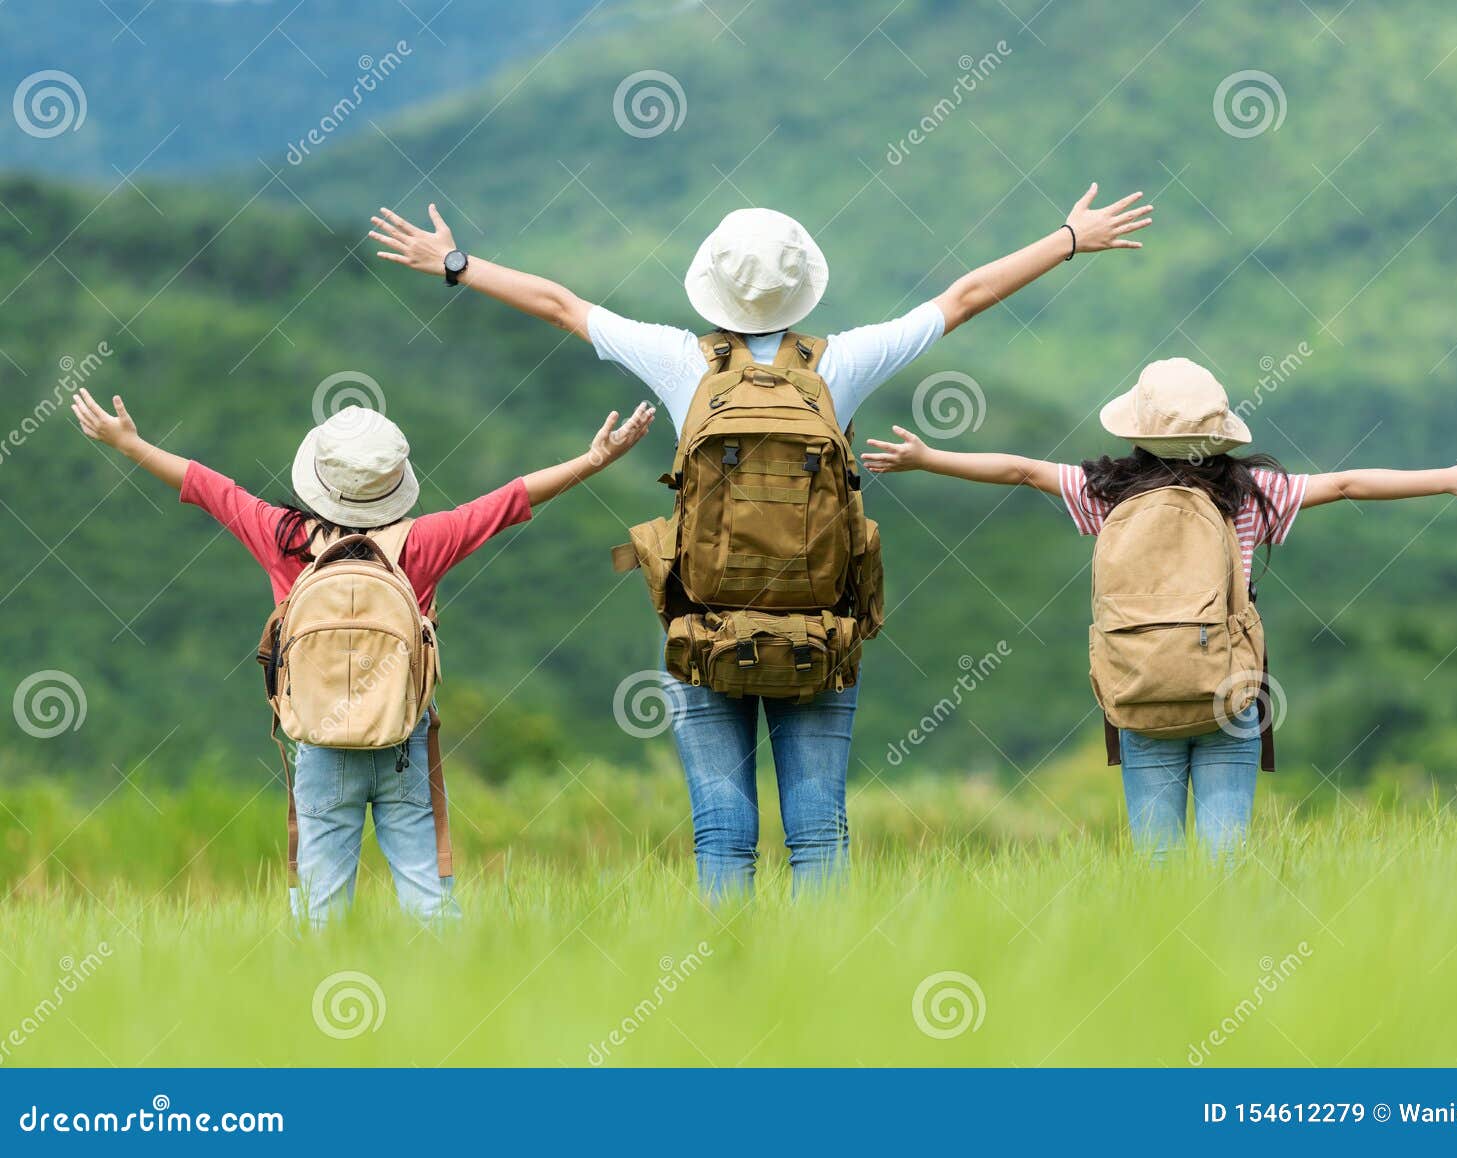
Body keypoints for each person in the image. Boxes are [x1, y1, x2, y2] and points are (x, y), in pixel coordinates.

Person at [369, 185, 1152, 897]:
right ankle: (823, 1002)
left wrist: (455, 262)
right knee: (818, 834)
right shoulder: (841, 363)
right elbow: (966, 296)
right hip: (821, 632)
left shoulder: (682, 363)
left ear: (711, 287)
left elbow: (560, 305)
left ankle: (726, 1002)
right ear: (801, 284)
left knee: (722, 837)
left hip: (702, 629)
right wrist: (1069, 238)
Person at [861, 356, 1457, 859]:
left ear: (1139, 432)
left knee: (1157, 864)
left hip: (1142, 688)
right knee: (1223, 860)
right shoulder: (1254, 494)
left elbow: (1023, 471)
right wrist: (1449, 478)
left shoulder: (1106, 492)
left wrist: (928, 458)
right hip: (1229, 689)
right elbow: (1346, 484)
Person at [70, 387, 654, 921]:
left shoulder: (284, 536)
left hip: (320, 743)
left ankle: (318, 1021)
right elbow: (511, 500)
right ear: (393, 484)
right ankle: (450, 1016)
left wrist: (130, 443)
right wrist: (593, 459)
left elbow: (208, 487)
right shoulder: (424, 541)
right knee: (428, 902)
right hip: (402, 736)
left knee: (321, 913)